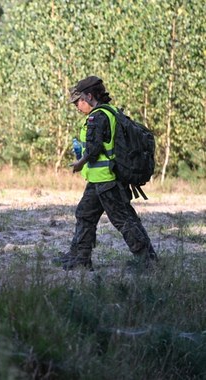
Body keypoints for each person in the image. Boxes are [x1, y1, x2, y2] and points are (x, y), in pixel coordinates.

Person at [55, 76, 157, 270]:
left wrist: (79, 163)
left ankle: (146, 261)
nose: (77, 106)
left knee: (123, 220)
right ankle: (80, 258)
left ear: (89, 96)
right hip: (99, 180)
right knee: (85, 215)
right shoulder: (111, 112)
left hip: (106, 181)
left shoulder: (97, 117)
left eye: (79, 101)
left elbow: (93, 151)